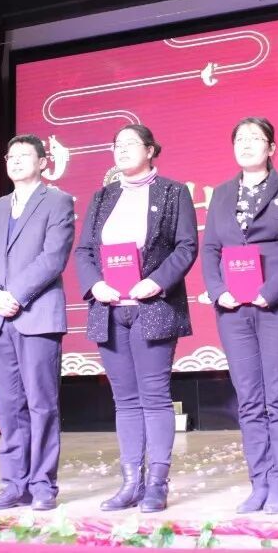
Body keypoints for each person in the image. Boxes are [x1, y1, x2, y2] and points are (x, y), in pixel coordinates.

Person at [75, 124, 197, 514]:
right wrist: (95, 285)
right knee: (125, 400)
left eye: (130, 144)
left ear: (150, 150)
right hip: (110, 309)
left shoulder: (173, 192)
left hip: (152, 306)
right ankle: (130, 484)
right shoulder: (102, 196)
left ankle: (157, 484)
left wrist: (156, 282)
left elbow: (186, 246)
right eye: (117, 145)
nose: (122, 150)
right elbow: (84, 251)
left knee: (155, 397)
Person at [201, 117, 278, 514]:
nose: (246, 144)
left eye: (255, 138)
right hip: (233, 308)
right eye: (240, 139)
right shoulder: (221, 194)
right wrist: (219, 291)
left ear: (271, 148)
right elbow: (210, 248)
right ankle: (259, 482)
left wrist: (272, 291)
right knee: (249, 399)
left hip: (277, 306)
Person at [0, 135, 75, 511]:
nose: (15, 161)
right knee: (7, 406)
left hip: (37, 314)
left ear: (43, 162)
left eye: (24, 155)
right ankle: (14, 484)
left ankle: (43, 483)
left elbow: (53, 257)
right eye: (10, 156)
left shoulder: (58, 201)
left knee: (41, 404)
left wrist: (14, 294)